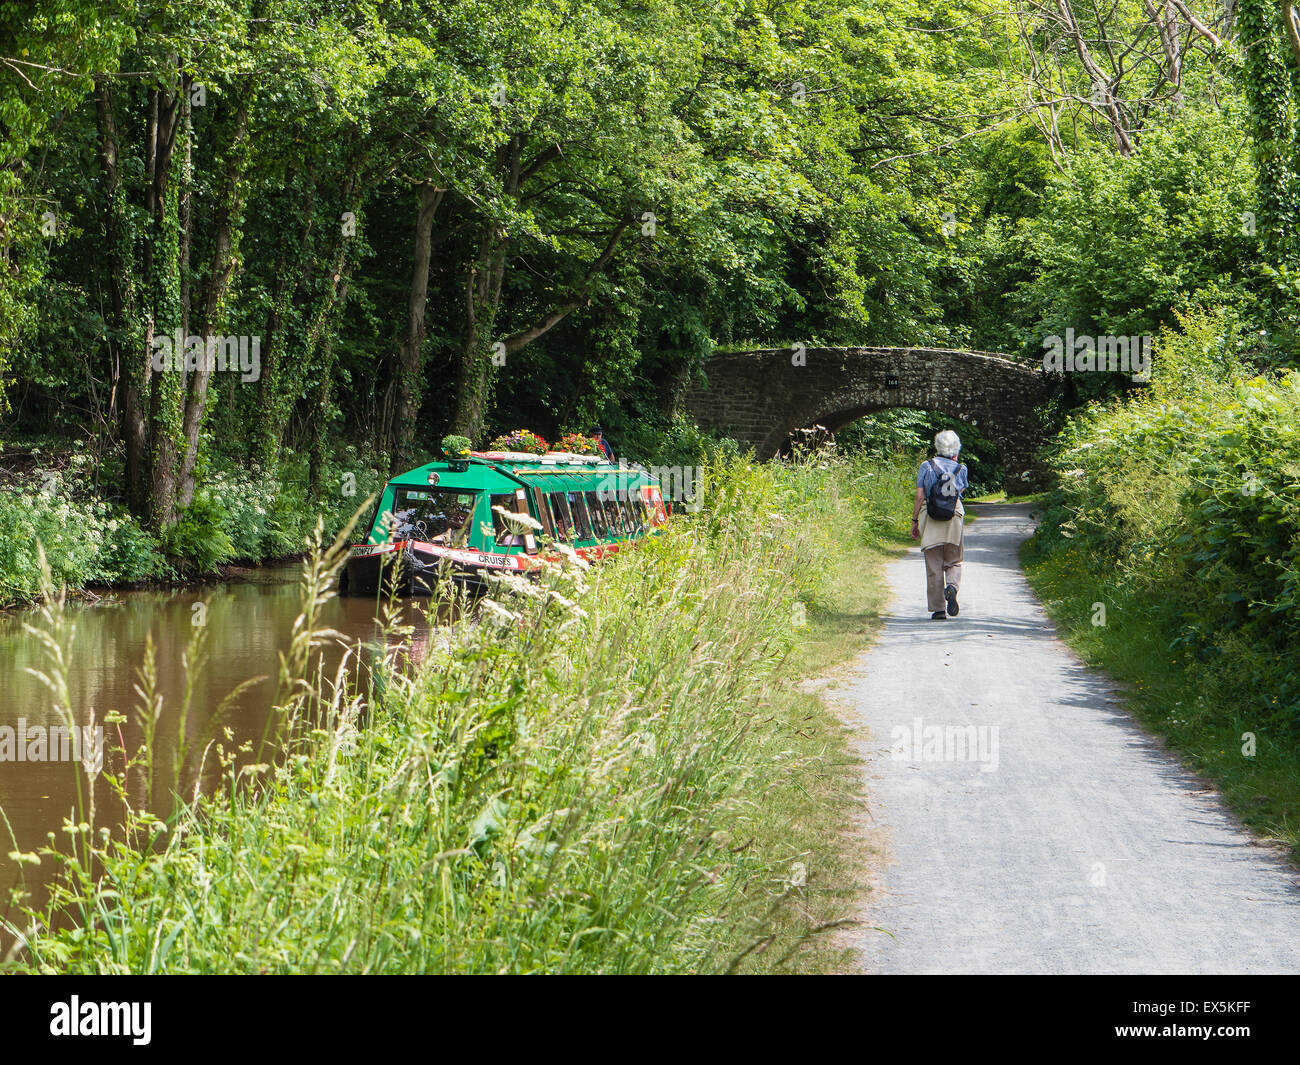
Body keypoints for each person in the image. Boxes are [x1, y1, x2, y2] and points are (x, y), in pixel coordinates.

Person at [911, 429, 969, 620]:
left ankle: (938, 610)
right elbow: (959, 492)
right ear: (955, 450)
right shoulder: (961, 469)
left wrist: (914, 521)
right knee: (954, 559)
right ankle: (952, 586)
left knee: (933, 564)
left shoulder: (926, 466)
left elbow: (920, 496)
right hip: (954, 515)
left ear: (937, 447)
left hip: (931, 514)